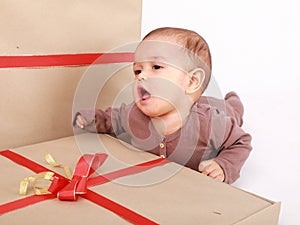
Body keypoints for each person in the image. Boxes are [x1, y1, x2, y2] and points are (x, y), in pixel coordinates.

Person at [73, 27, 252, 184]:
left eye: (156, 67)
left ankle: (233, 98)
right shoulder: (133, 114)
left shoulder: (211, 123)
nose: (141, 76)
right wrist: (90, 119)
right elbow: (112, 119)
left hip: (217, 108)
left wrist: (224, 166)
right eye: (137, 70)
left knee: (233, 109)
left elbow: (241, 142)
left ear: (191, 81)